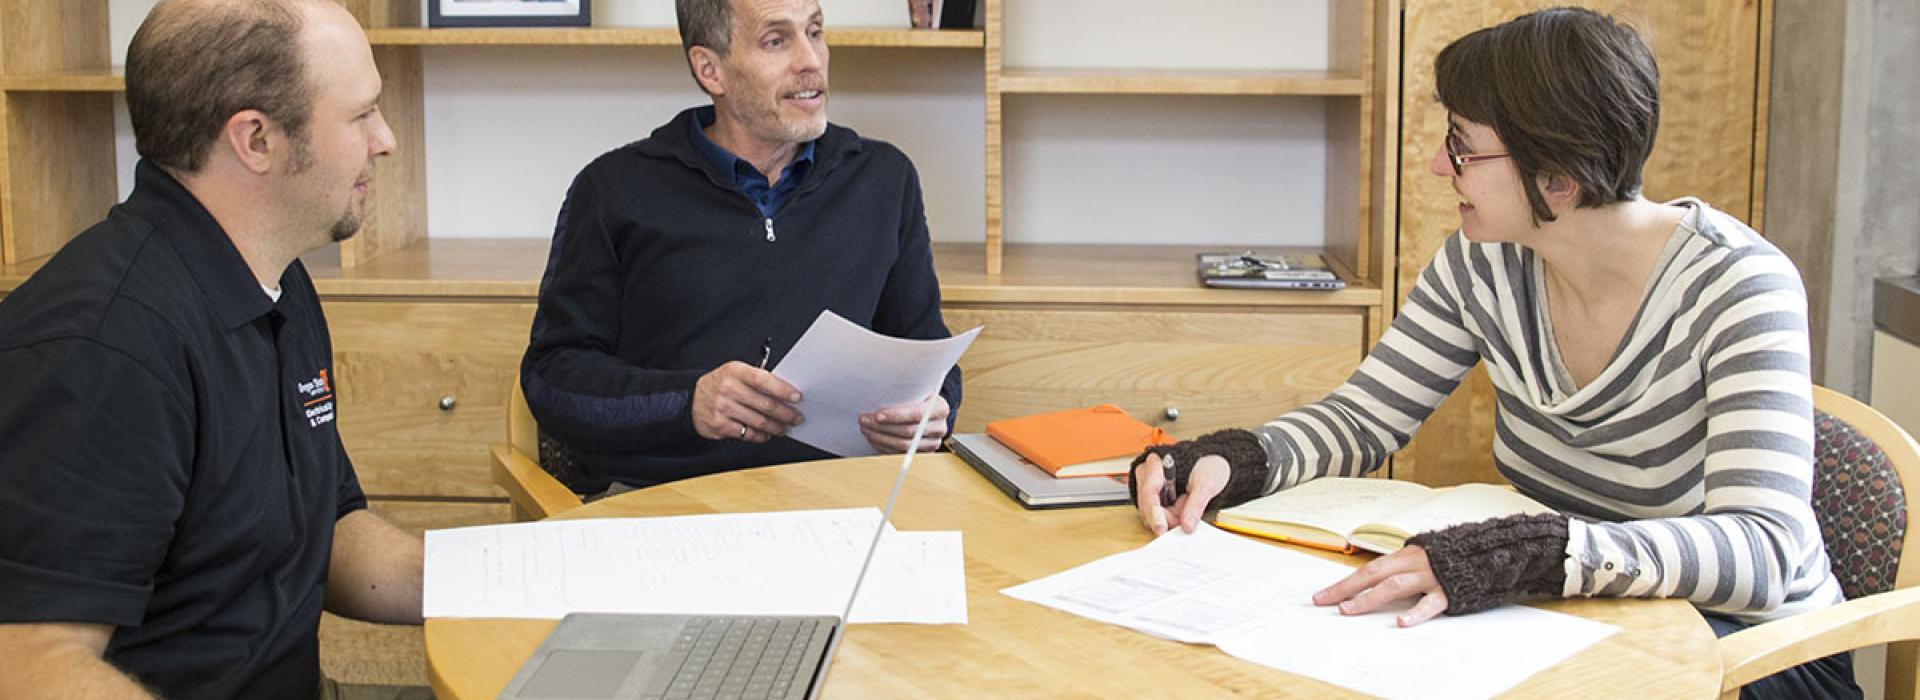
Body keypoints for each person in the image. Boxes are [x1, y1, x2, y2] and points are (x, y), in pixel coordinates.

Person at [1130, 8, 1857, 698]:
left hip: (1749, 656)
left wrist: (1533, 555)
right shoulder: (1486, 261)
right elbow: (1363, 422)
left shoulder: (1739, 286)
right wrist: (1236, 459)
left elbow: (1764, 550)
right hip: (1574, 621)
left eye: (1462, 147)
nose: (1441, 169)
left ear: (1557, 177)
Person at [0, 1, 428, 697]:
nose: (386, 140)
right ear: (256, 140)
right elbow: (26, 664)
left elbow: (327, 531)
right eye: (361, 115)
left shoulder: (275, 279)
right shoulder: (100, 349)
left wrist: (511, 584)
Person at [520, 0, 962, 496]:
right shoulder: (612, 190)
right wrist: (688, 402)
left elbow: (926, 352)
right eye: (777, 40)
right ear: (711, 70)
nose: (811, 60)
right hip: (664, 500)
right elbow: (552, 378)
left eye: (815, 32)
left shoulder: (884, 178)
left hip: (842, 499)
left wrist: (930, 410)